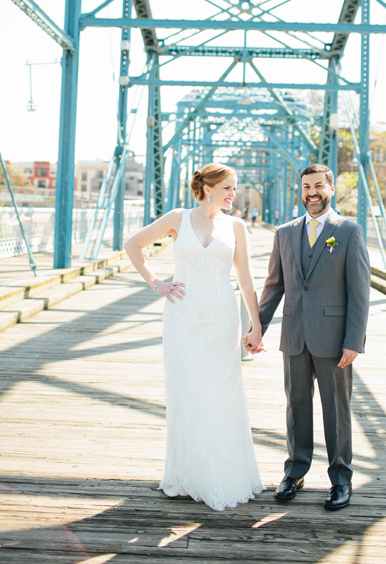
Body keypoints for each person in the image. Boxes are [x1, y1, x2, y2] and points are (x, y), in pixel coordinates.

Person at [125, 163, 264, 511]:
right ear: (210, 187)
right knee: (186, 392)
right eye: (229, 188)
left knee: (221, 395)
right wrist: (157, 283)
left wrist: (256, 325)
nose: (234, 194)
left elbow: (246, 281)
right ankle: (187, 474)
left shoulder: (236, 226)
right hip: (182, 320)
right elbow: (133, 245)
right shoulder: (178, 218)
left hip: (221, 320)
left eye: (235, 188)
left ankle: (222, 473)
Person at [244, 164, 370, 511]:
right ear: (300, 191)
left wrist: (354, 340)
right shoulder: (284, 233)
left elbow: (359, 292)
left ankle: (341, 479)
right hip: (295, 334)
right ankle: (295, 472)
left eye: (318, 186)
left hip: (334, 339)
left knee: (337, 410)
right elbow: (274, 285)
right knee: (296, 407)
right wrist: (258, 328)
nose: (311, 192)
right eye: (306, 187)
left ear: (331, 189)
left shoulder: (348, 231)